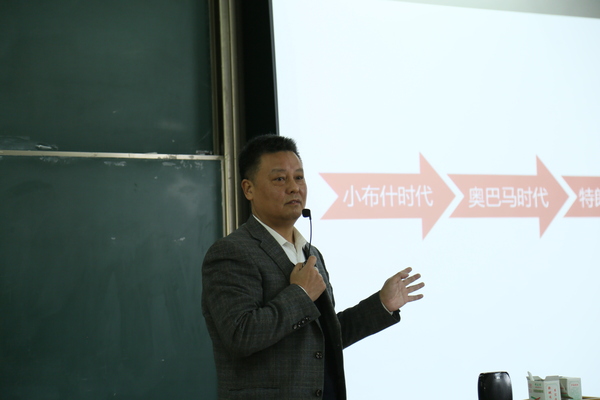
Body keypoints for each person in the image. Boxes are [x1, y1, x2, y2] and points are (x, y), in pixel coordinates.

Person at [201, 134, 424, 400]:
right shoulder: (231, 252)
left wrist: (381, 304)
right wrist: (301, 294)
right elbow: (240, 335)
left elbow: (324, 337)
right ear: (249, 189)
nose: (294, 188)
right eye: (280, 179)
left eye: (299, 177)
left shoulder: (311, 253)